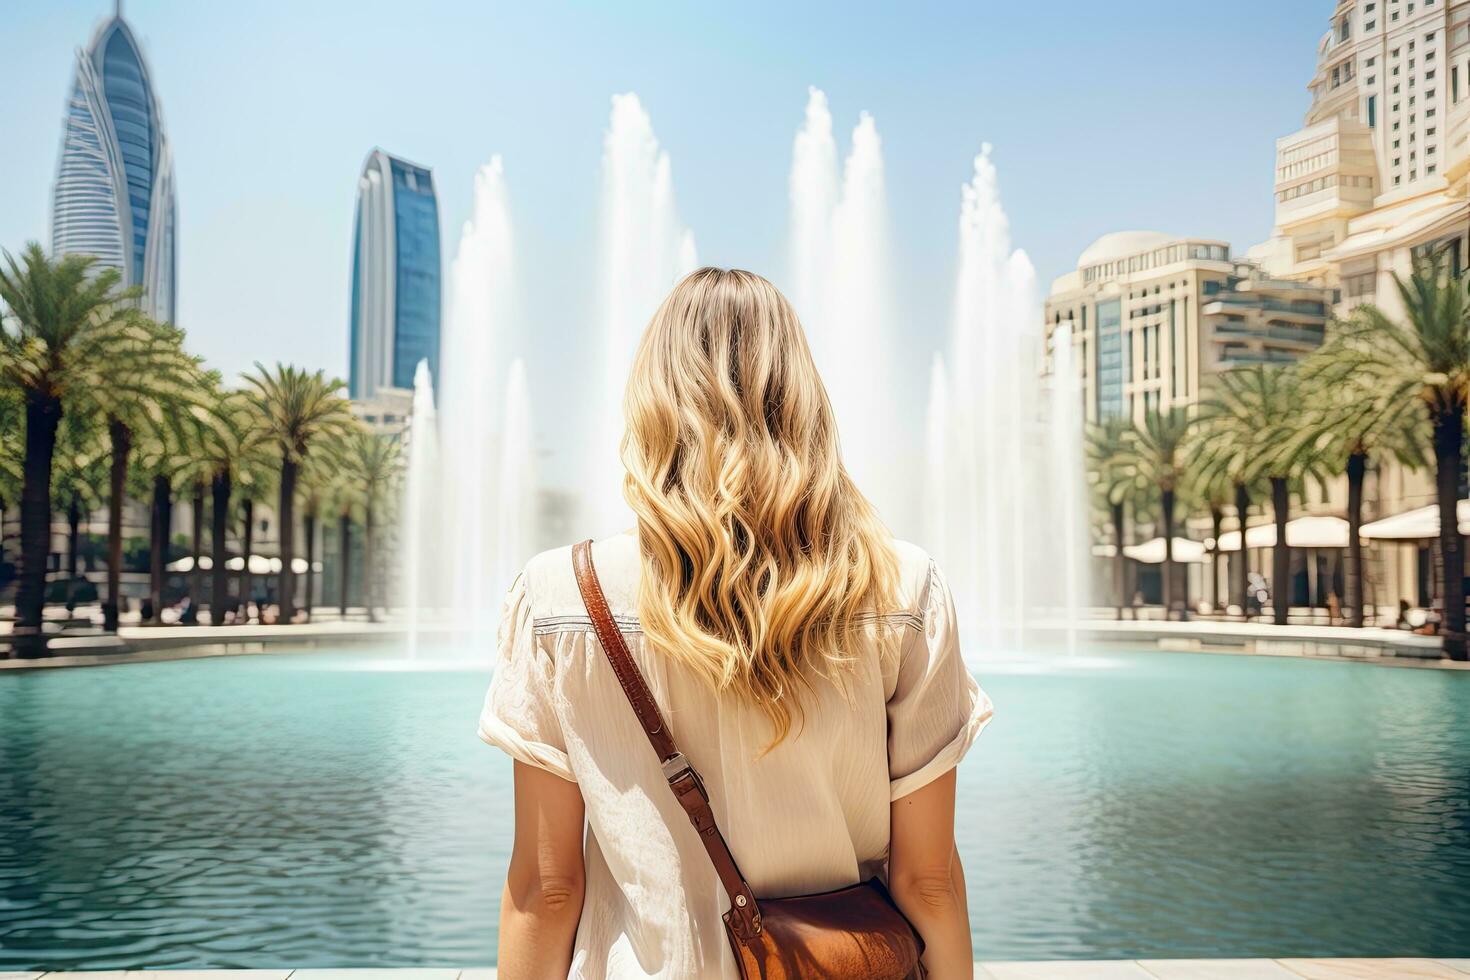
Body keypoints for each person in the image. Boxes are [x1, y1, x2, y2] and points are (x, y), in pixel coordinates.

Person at [478, 268, 992, 979]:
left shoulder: (560, 595)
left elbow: (547, 889)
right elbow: (927, 881)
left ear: (652, 401)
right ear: (802, 398)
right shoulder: (901, 586)